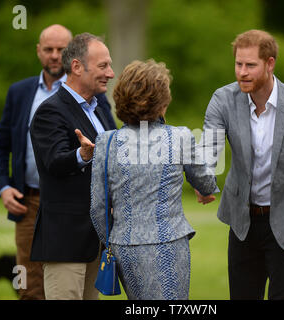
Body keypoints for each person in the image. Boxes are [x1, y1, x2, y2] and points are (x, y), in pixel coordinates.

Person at [197, 29, 284, 300]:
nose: (242, 72)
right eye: (238, 64)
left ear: (270, 64)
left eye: (250, 65)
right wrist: (204, 178)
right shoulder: (223, 100)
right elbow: (209, 147)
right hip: (242, 222)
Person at [90, 59, 218, 300]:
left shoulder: (105, 143)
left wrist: (112, 241)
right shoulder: (179, 136)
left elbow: (97, 208)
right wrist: (206, 188)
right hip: (168, 243)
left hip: (123, 246)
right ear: (162, 101)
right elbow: (206, 182)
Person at [29, 32, 116, 300]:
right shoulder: (50, 111)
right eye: (103, 66)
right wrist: (82, 155)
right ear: (77, 67)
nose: (111, 73)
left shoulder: (100, 108)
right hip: (65, 242)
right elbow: (53, 161)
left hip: (97, 240)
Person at [0, 24, 73, 300]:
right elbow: (0, 145)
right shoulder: (20, 92)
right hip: (27, 202)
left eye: (61, 50)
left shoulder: (84, 92)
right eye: (48, 49)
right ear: (38, 51)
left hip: (68, 205)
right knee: (29, 287)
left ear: (72, 53)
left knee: (65, 286)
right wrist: (3, 187)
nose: (54, 55)